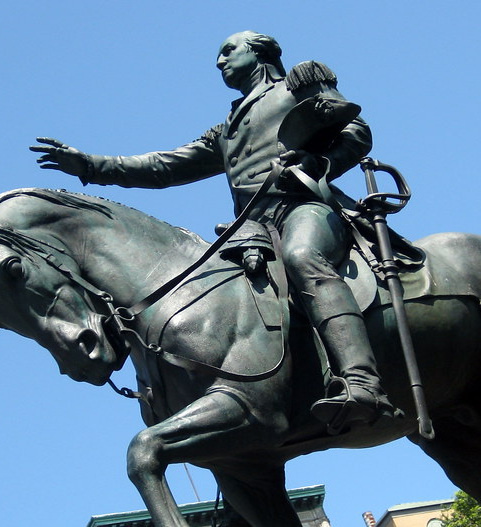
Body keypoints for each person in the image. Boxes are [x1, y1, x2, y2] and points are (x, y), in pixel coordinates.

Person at [31, 31, 398, 431]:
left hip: (303, 207)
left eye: (228, 51)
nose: (219, 62)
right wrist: (89, 165)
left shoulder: (297, 86)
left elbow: (357, 133)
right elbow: (165, 166)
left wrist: (317, 163)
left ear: (259, 52)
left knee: (302, 257)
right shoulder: (226, 130)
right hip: (252, 227)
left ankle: (362, 382)